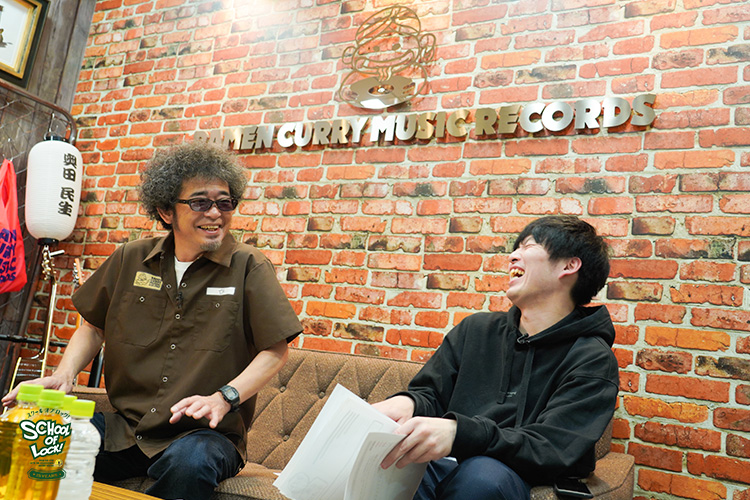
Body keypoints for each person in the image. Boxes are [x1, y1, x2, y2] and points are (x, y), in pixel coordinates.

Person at [3, 141, 303, 500]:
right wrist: (65, 375)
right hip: (125, 429)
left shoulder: (249, 265)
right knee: (33, 435)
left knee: (190, 462)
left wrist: (225, 398)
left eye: (225, 203)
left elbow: (275, 350)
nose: (215, 213)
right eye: (200, 203)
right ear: (165, 211)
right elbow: (93, 327)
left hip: (203, 436)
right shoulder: (130, 258)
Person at [374, 215, 619, 500]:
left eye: (528, 246)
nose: (513, 256)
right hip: (443, 464)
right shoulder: (475, 329)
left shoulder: (592, 359)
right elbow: (432, 395)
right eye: (516, 248)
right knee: (386, 462)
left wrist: (459, 433)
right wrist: (409, 403)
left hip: (508, 475)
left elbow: (551, 447)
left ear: (569, 266)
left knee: (481, 478)